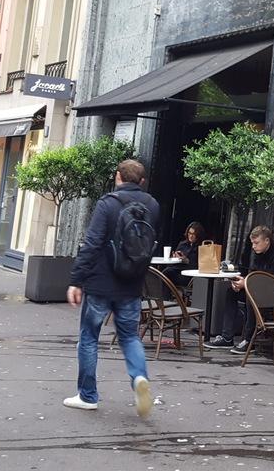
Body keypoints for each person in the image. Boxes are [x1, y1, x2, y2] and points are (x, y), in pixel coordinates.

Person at [64, 158, 159, 418]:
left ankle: (87, 395)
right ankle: (139, 378)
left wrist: (76, 280)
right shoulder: (153, 205)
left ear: (118, 176)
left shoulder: (108, 203)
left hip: (101, 284)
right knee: (129, 337)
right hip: (132, 284)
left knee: (89, 337)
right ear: (142, 181)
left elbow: (92, 243)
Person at [203, 225, 274, 353]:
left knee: (251, 294)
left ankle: (248, 340)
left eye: (256, 243)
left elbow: (273, 283)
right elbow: (254, 275)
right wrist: (241, 282)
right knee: (231, 292)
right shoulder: (258, 254)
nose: (253, 246)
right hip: (261, 291)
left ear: (267, 241)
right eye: (252, 243)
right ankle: (227, 337)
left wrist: (246, 284)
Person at [163, 222, 204, 286]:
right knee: (166, 272)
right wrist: (174, 258)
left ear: (198, 235)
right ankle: (166, 292)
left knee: (167, 273)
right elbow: (172, 264)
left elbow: (200, 266)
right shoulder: (182, 244)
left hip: (189, 275)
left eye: (194, 234)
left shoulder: (201, 248)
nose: (191, 236)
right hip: (177, 270)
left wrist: (187, 261)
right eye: (189, 233)